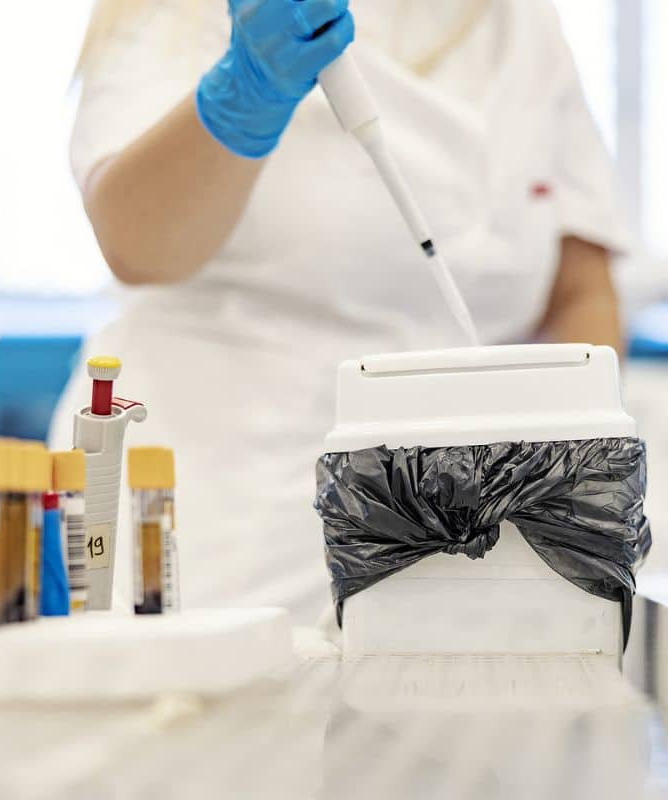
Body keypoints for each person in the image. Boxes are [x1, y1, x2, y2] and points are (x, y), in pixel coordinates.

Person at [51, 0, 630, 623]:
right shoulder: (184, 13)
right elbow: (138, 243)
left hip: (460, 552)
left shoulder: (521, 26)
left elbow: (579, 293)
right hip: (217, 530)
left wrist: (565, 480)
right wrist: (249, 93)